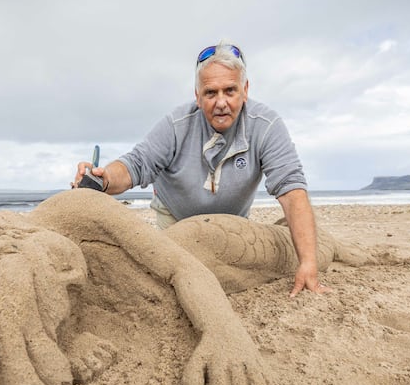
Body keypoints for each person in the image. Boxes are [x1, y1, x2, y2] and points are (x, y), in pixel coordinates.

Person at [72, 40, 327, 297]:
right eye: (210, 93)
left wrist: (307, 262)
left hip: (231, 226)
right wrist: (103, 179)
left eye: (230, 91)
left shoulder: (266, 126)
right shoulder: (176, 124)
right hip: (176, 221)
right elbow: (136, 164)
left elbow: (292, 191)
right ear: (197, 95)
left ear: (245, 90)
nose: (221, 103)